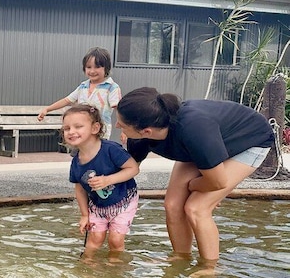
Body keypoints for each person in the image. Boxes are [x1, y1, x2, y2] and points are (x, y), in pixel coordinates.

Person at [116, 87, 274, 263]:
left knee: (197, 207)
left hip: (249, 140)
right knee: (172, 205)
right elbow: (128, 170)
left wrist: (191, 186)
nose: (117, 127)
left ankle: (209, 268)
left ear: (146, 131)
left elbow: (217, 183)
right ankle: (181, 257)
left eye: (122, 125)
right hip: (203, 147)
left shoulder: (194, 129)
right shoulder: (139, 137)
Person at [63, 104, 139, 257]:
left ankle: (115, 270)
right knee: (95, 239)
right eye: (66, 128)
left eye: (78, 126)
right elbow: (79, 189)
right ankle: (88, 269)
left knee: (115, 240)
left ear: (95, 128)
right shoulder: (76, 162)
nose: (71, 132)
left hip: (123, 201)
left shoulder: (111, 149)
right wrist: (85, 215)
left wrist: (108, 180)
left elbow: (133, 169)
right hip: (98, 206)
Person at [38, 47, 121, 139]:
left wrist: (124, 129)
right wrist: (48, 109)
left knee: (98, 152)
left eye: (97, 67)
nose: (92, 71)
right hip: (81, 131)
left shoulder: (112, 87)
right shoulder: (83, 86)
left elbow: (119, 109)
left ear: (106, 68)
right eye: (89, 67)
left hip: (100, 132)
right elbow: (67, 100)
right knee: (80, 152)